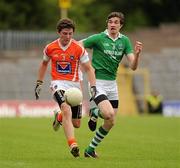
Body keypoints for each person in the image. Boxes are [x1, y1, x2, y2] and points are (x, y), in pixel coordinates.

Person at [80, 11, 143, 158]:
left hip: (112, 85)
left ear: (121, 25)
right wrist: (85, 64)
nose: (113, 24)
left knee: (111, 121)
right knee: (107, 114)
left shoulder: (125, 41)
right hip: (97, 83)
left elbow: (133, 67)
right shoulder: (98, 38)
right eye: (110, 21)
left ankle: (90, 149)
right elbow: (78, 45)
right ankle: (95, 112)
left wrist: (138, 54)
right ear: (107, 24)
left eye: (116, 22)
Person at [34, 18, 97, 158]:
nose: (67, 37)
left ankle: (59, 117)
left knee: (77, 123)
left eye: (70, 34)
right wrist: (39, 82)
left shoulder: (79, 48)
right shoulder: (50, 47)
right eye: (64, 33)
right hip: (58, 84)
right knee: (66, 108)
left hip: (75, 87)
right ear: (58, 32)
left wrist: (93, 87)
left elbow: (89, 69)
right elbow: (44, 64)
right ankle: (73, 144)